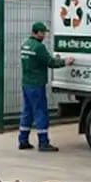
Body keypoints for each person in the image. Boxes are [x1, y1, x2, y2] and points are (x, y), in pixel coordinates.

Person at [18, 21, 72, 151]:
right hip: (37, 84)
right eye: (43, 33)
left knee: (27, 112)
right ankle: (43, 142)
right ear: (37, 33)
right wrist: (65, 62)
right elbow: (50, 62)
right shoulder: (38, 47)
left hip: (26, 83)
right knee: (40, 112)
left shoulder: (25, 45)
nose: (44, 36)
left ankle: (23, 140)